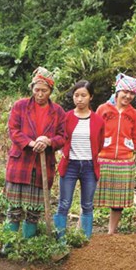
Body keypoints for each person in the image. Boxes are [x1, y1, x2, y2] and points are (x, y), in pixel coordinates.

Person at [2, 67, 66, 242]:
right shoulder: (20, 106)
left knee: (34, 210)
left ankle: (29, 244)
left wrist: (47, 141)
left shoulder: (58, 112)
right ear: (31, 89)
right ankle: (9, 245)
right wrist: (31, 143)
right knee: (14, 209)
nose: (39, 94)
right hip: (20, 164)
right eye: (36, 90)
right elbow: (13, 131)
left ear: (50, 91)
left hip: (41, 166)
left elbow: (62, 137)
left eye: (44, 91)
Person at [53, 80, 104, 239]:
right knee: (64, 204)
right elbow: (60, 137)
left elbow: (100, 143)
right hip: (70, 165)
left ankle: (85, 239)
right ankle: (59, 238)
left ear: (91, 97)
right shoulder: (66, 117)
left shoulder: (98, 120)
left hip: (89, 165)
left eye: (83, 95)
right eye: (76, 95)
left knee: (87, 205)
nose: (79, 99)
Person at [94, 73, 136, 234]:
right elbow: (94, 131)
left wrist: (129, 148)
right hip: (102, 158)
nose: (128, 96)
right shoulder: (103, 109)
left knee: (118, 201)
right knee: (91, 196)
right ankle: (82, 230)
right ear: (117, 91)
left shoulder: (134, 114)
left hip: (124, 161)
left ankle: (111, 232)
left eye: (132, 94)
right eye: (125, 92)